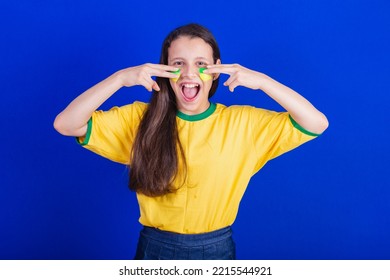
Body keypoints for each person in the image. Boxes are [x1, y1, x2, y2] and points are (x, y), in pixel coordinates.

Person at [54, 23, 328, 260]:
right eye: (178, 64)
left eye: (201, 64)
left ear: (217, 70)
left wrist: (263, 81)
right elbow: (66, 124)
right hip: (155, 252)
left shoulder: (244, 123)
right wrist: (120, 78)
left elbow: (316, 123)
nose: (189, 73)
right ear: (163, 69)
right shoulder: (139, 120)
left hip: (216, 251)